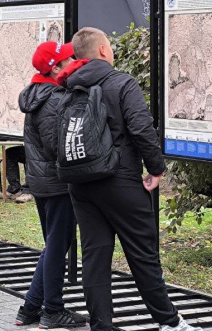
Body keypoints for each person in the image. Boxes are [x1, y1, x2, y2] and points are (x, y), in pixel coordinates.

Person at [57, 27, 202, 331]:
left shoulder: (69, 88)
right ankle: (170, 322)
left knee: (95, 256)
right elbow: (141, 128)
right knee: (143, 254)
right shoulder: (122, 83)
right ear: (103, 50)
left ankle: (102, 325)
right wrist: (156, 168)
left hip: (80, 184)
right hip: (119, 179)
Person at [13, 41, 87, 328]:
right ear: (56, 68)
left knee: (54, 244)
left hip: (44, 181)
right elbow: (59, 147)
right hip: (57, 183)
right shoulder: (54, 99)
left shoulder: (40, 94)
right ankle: (52, 310)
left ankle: (30, 308)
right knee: (57, 247)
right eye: (69, 59)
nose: (75, 62)